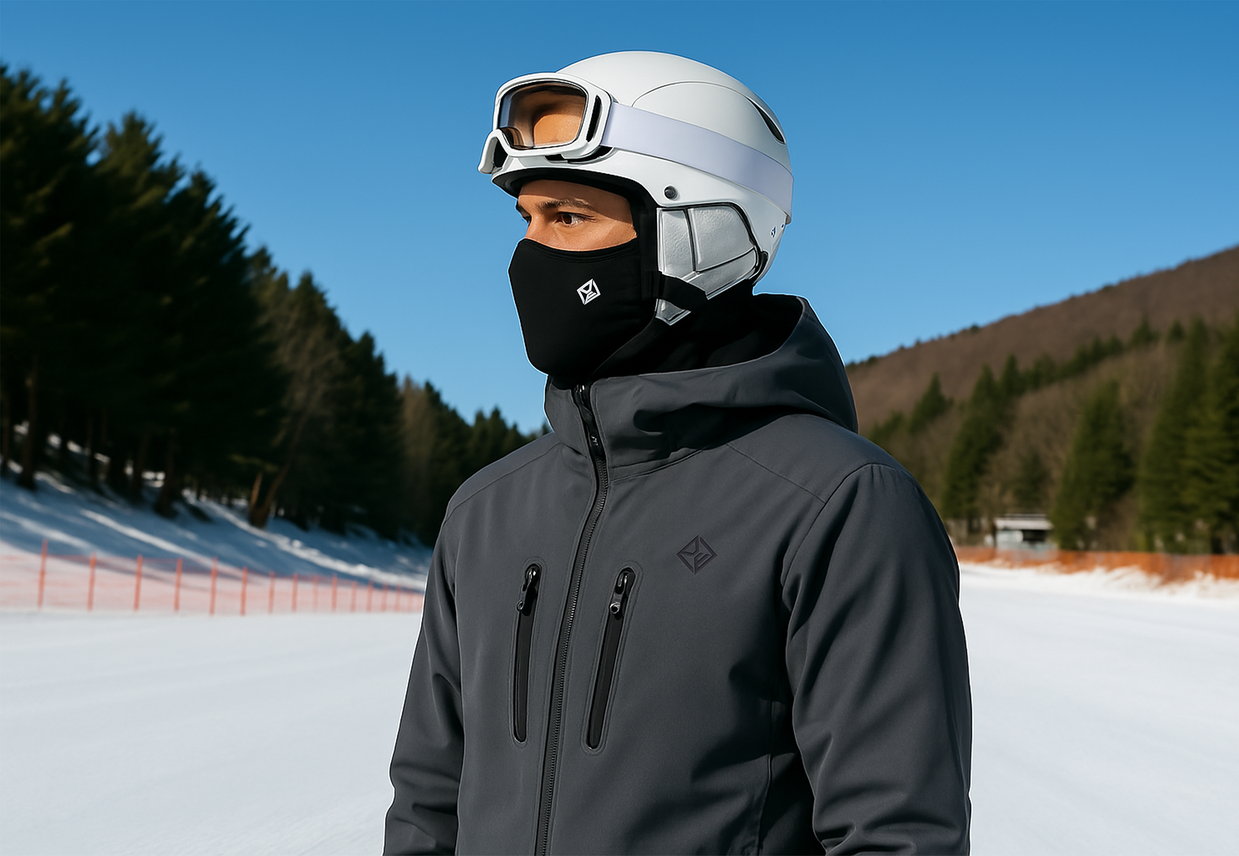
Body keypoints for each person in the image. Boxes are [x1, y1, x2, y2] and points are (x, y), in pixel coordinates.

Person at [385, 51, 972, 855]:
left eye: (567, 217)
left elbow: (896, 835)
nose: (529, 255)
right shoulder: (485, 513)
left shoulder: (841, 507)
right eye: (525, 220)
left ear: (698, 234)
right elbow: (427, 807)